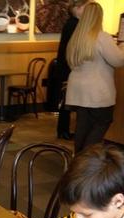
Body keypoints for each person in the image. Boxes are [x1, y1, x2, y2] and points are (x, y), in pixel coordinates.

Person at [65, 2, 124, 154]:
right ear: (99, 17)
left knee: (82, 126)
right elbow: (119, 60)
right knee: (102, 122)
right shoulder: (101, 37)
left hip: (78, 92)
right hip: (97, 92)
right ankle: (86, 160)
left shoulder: (76, 38)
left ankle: (78, 159)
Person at [55, 0, 91, 140]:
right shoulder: (74, 24)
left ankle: (63, 130)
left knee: (66, 100)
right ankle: (63, 130)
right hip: (68, 67)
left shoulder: (71, 23)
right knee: (67, 101)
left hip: (65, 66)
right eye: (85, 7)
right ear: (76, 8)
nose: (87, 11)